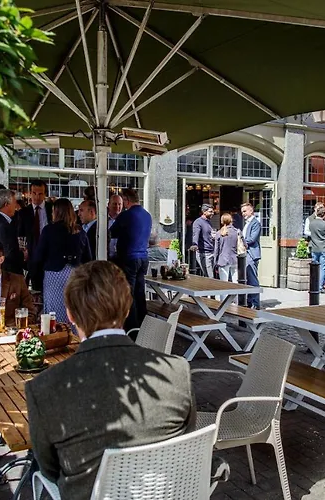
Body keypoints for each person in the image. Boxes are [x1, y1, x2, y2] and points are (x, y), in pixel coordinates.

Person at [26, 261, 196, 499]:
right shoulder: (177, 371)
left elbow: (50, 469)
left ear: (70, 315)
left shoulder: (43, 388)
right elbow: (186, 442)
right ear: (127, 309)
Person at [34, 198, 91, 324]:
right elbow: (88, 258)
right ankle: (74, 334)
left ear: (56, 212)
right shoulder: (80, 231)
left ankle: (57, 333)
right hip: (75, 274)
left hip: (54, 276)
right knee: (73, 309)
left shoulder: (49, 230)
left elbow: (39, 255)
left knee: (54, 312)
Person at [111, 189, 152, 331]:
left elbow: (112, 232)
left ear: (126, 200)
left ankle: (132, 328)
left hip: (129, 258)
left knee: (129, 293)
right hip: (144, 257)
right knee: (140, 292)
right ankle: (144, 324)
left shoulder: (126, 215)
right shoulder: (147, 215)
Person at [18, 180, 54, 291]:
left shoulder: (52, 209)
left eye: (40, 194)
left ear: (45, 194)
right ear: (30, 193)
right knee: (36, 289)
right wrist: (23, 250)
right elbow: (20, 234)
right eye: (34, 193)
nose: (37, 197)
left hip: (50, 255)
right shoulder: (23, 213)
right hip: (32, 255)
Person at [307, 204, 325, 293]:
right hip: (324, 249)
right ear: (324, 215)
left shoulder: (311, 224)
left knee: (314, 268)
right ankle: (319, 287)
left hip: (314, 248)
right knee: (322, 268)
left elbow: (310, 233)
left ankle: (313, 286)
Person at [241, 202, 261, 309]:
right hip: (246, 253)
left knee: (252, 278)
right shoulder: (247, 223)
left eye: (245, 211)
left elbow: (252, 239)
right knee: (247, 278)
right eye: (242, 212)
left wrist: (241, 241)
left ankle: (255, 303)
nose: (243, 213)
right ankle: (249, 301)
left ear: (251, 210)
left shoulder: (255, 223)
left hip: (251, 254)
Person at [214, 213, 240, 295]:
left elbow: (216, 250)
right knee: (236, 283)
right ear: (231, 220)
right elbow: (245, 245)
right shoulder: (237, 232)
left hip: (223, 260)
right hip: (235, 259)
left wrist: (215, 262)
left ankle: (224, 301)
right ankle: (236, 300)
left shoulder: (219, 233)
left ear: (222, 221)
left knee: (223, 284)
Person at [190, 204, 216, 278]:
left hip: (211, 251)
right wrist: (195, 244)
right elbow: (195, 234)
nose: (212, 213)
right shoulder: (198, 222)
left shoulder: (208, 222)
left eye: (213, 211)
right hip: (204, 253)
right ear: (204, 212)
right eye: (210, 211)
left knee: (210, 275)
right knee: (210, 276)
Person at [108, 193, 124, 260]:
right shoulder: (102, 221)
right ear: (109, 205)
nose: (117, 206)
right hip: (107, 257)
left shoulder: (126, 220)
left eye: (119, 204)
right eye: (114, 204)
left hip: (121, 258)